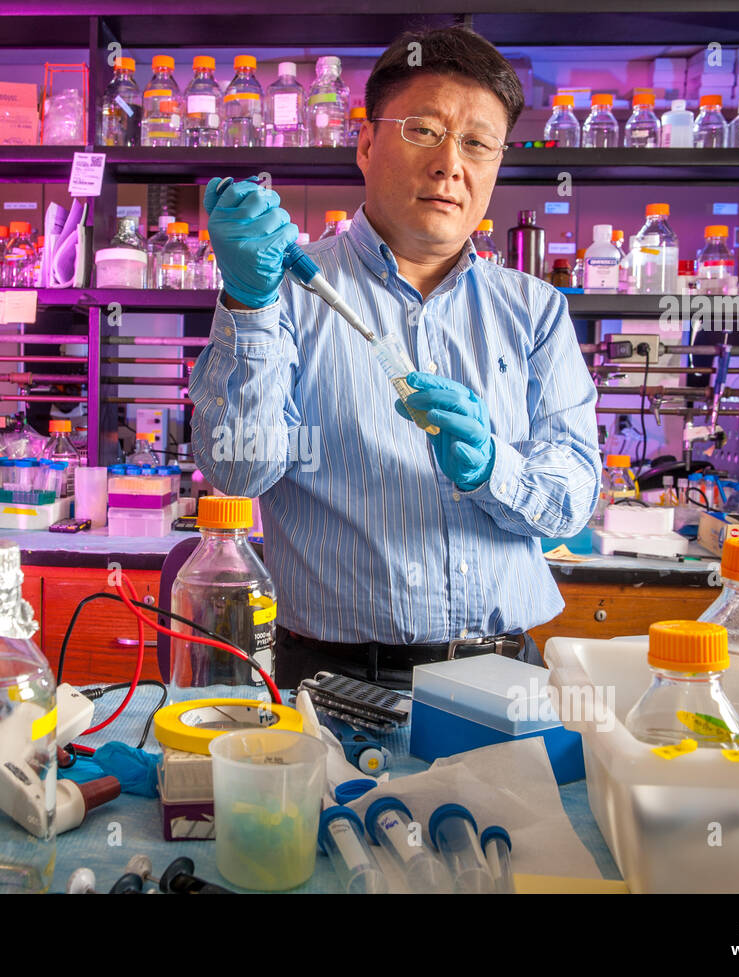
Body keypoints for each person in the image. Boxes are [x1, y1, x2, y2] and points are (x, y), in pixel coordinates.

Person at [189, 26, 601, 688]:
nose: (449, 165)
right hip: (334, 678)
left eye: (477, 144)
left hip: (506, 674)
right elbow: (238, 469)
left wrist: (492, 466)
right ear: (366, 142)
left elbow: (573, 500)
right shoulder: (282, 291)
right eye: (423, 131)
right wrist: (248, 301)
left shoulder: (535, 310)